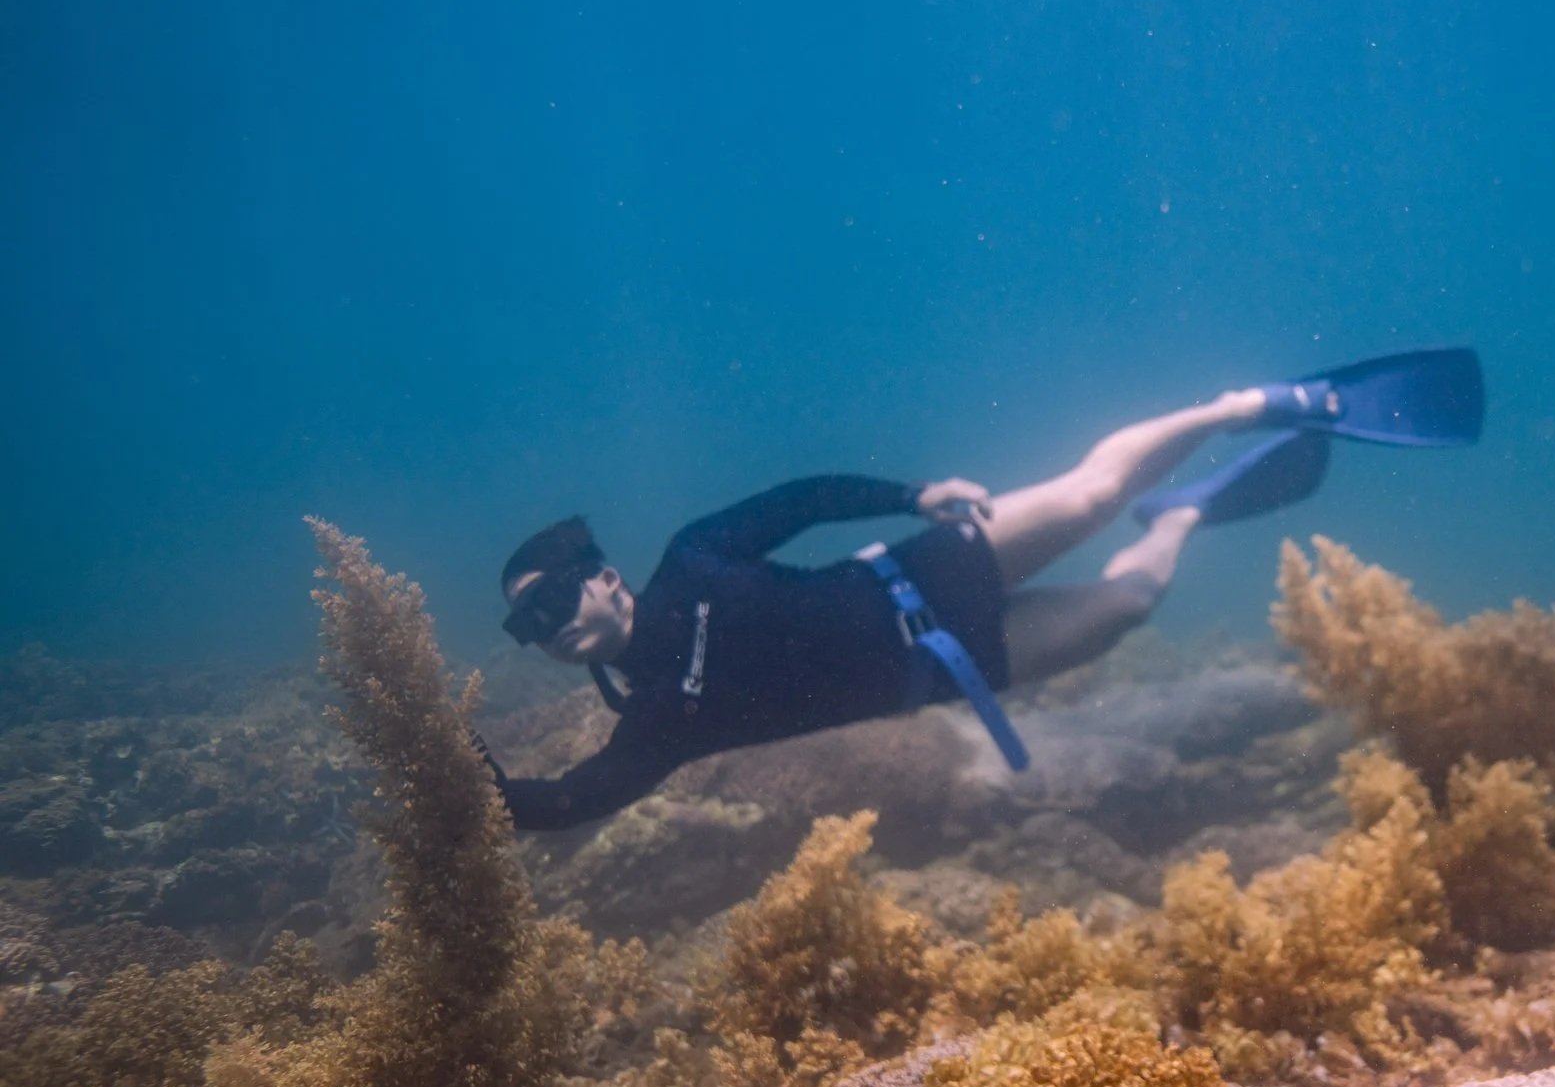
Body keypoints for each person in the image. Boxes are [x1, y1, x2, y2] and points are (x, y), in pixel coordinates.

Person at [487, 349, 1483, 832]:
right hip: (945, 671)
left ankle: (1248, 403)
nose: (550, 628)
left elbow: (804, 499)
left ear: (605, 580)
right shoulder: (659, 721)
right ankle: (1182, 517)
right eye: (528, 626)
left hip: (928, 575)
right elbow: (573, 797)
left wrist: (914, 493)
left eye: (553, 601)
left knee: (1092, 490)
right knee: (1130, 605)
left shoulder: (693, 558)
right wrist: (468, 796)